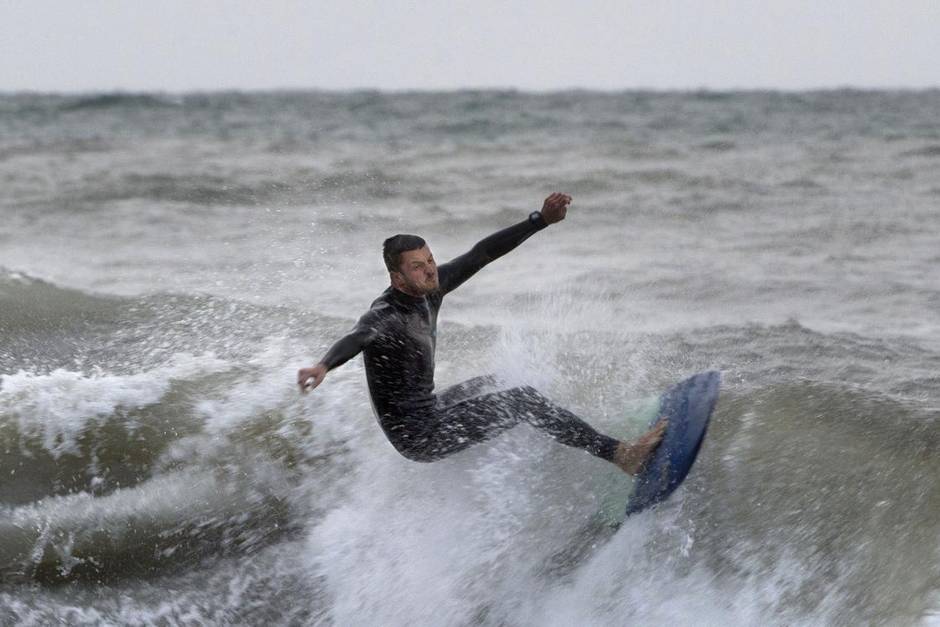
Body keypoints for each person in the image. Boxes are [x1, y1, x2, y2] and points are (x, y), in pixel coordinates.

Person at [297, 193, 666, 473]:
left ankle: (568, 442)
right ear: (397, 277)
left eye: (430, 260)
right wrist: (323, 366)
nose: (430, 271)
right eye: (418, 267)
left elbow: (483, 252)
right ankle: (621, 455)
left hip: (432, 409)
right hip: (419, 437)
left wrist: (539, 221)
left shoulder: (431, 290)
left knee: (499, 381)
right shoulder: (385, 316)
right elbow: (357, 337)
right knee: (521, 399)